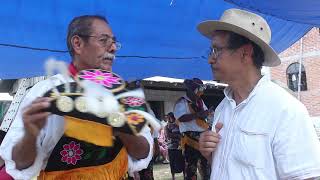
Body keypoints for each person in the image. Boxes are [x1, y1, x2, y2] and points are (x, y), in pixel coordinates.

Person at [0, 15, 153, 180]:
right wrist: (30, 134)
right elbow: (19, 165)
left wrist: (120, 122)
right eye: (104, 41)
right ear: (78, 44)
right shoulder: (45, 92)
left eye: (114, 42)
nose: (113, 48)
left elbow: (143, 153)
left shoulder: (123, 94)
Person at [198, 8, 320, 180]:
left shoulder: (286, 110)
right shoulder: (222, 109)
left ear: (245, 53)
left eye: (217, 50)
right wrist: (211, 155)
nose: (211, 59)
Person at [174, 78, 211, 180]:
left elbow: (204, 114)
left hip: (203, 136)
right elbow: (180, 118)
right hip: (190, 139)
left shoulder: (200, 102)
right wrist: (198, 114)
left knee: (206, 165)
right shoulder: (182, 102)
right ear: (192, 90)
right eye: (199, 90)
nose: (201, 93)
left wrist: (206, 114)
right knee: (191, 167)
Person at [165, 112, 184, 180]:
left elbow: (183, 134)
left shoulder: (179, 125)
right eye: (168, 117)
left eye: (171, 117)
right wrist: (178, 135)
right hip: (171, 147)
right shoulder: (166, 126)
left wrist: (176, 135)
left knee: (182, 161)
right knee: (172, 162)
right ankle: (173, 177)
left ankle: (184, 175)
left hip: (180, 146)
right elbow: (168, 135)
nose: (169, 119)